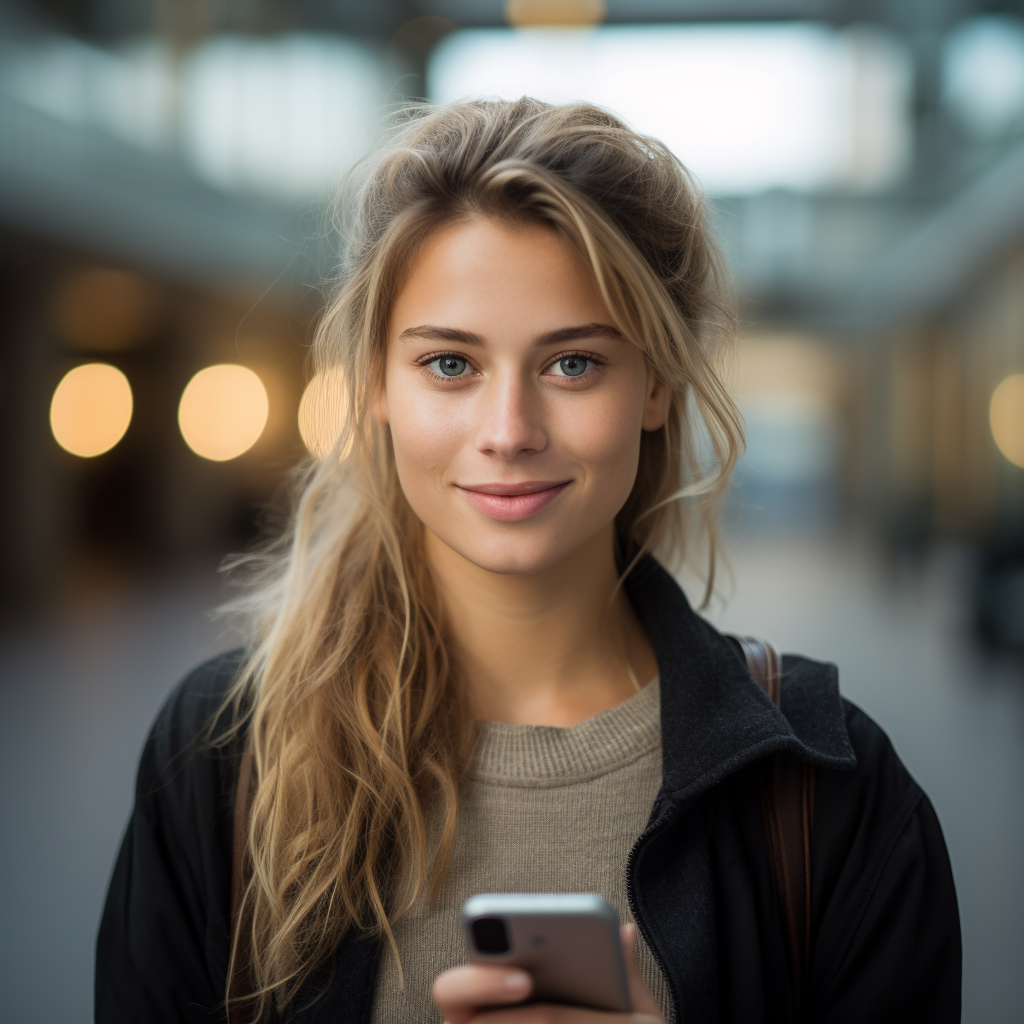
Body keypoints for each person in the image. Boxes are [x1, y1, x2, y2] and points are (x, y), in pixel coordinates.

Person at [95, 98, 960, 1024]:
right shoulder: (226, 759)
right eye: (450, 366)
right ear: (378, 383)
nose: (508, 433)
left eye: (573, 364)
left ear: (657, 384)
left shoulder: (831, 788)